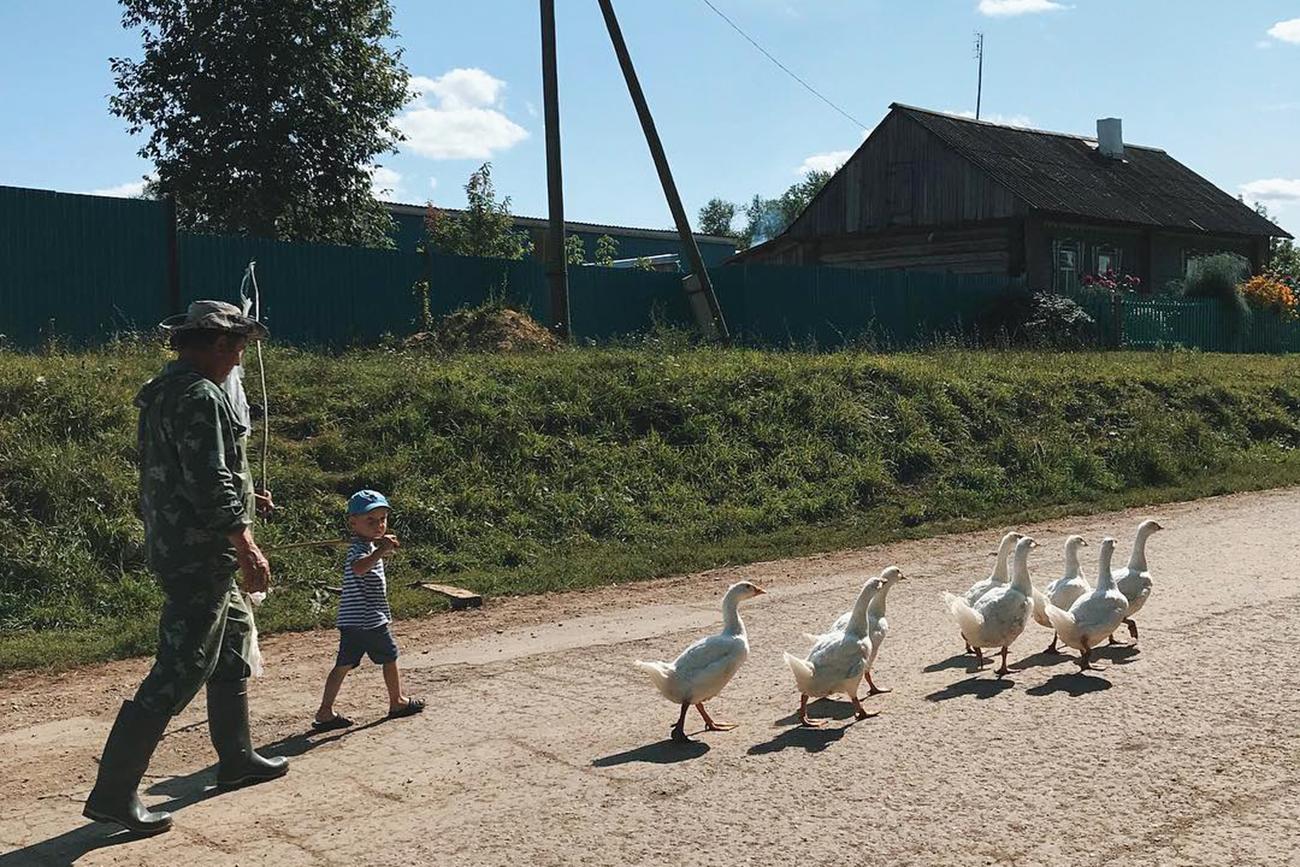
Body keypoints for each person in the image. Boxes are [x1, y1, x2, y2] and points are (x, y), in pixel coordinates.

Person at [83, 301, 286, 835]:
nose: (242, 355)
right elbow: (206, 479)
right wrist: (245, 543)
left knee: (233, 645)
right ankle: (113, 794)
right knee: (182, 664)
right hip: (200, 552)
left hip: (188, 538)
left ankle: (236, 760)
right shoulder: (199, 395)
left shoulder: (169, 389)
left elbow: (199, 468)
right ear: (218, 344)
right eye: (239, 345)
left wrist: (247, 495)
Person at [313, 490, 425, 730]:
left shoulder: (365, 544)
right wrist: (380, 550)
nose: (379, 525)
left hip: (353, 619)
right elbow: (360, 569)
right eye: (371, 521)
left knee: (344, 664)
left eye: (382, 519)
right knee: (390, 656)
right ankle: (397, 701)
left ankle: (325, 711)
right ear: (353, 523)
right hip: (368, 619)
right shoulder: (360, 549)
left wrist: (378, 547)